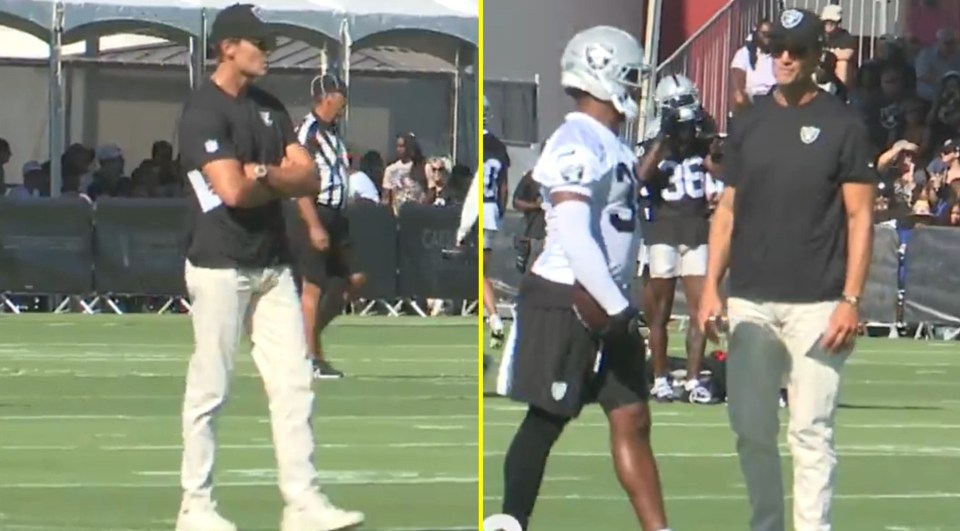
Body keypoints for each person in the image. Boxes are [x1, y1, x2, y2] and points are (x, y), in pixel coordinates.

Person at [174, 5, 364, 531]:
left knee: (295, 383)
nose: (268, 52)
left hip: (273, 264)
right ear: (228, 46)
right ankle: (196, 505)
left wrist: (264, 172)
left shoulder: (270, 107)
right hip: (219, 264)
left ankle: (302, 503)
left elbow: (308, 178)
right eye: (258, 43)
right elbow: (231, 189)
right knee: (210, 388)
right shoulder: (202, 112)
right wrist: (271, 175)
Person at [697, 9, 876, 531]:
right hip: (750, 299)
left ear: (818, 55)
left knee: (810, 431)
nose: (784, 58)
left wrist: (851, 298)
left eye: (796, 49)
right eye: (776, 48)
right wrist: (710, 287)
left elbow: (860, 216)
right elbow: (727, 210)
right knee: (751, 429)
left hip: (819, 303)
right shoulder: (748, 121)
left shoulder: (845, 125)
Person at [498, 25, 671, 531]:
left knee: (633, 417)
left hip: (606, 299)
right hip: (569, 297)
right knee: (547, 417)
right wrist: (615, 307)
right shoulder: (575, 139)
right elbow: (574, 233)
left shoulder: (609, 142)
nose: (638, 89)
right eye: (632, 77)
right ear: (604, 73)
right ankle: (511, 521)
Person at [638, 74, 722, 404]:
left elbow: (722, 169)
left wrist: (711, 140)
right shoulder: (656, 140)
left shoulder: (702, 139)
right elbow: (642, 175)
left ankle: (691, 379)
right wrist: (665, 136)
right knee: (660, 313)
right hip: (662, 232)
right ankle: (659, 378)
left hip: (696, 232)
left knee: (701, 310)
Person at [288, 73, 365, 380]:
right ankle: (310, 357)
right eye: (340, 95)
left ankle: (306, 338)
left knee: (352, 280)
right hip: (315, 211)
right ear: (327, 97)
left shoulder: (333, 132)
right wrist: (313, 224)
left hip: (336, 215)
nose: (344, 103)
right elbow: (298, 181)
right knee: (313, 286)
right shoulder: (307, 131)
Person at [482, 95, 511, 347]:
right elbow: (503, 187)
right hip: (491, 209)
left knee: (477, 273)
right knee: (481, 272)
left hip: (475, 209)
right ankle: (491, 316)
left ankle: (493, 317)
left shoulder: (473, 144)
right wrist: (499, 213)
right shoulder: (497, 146)